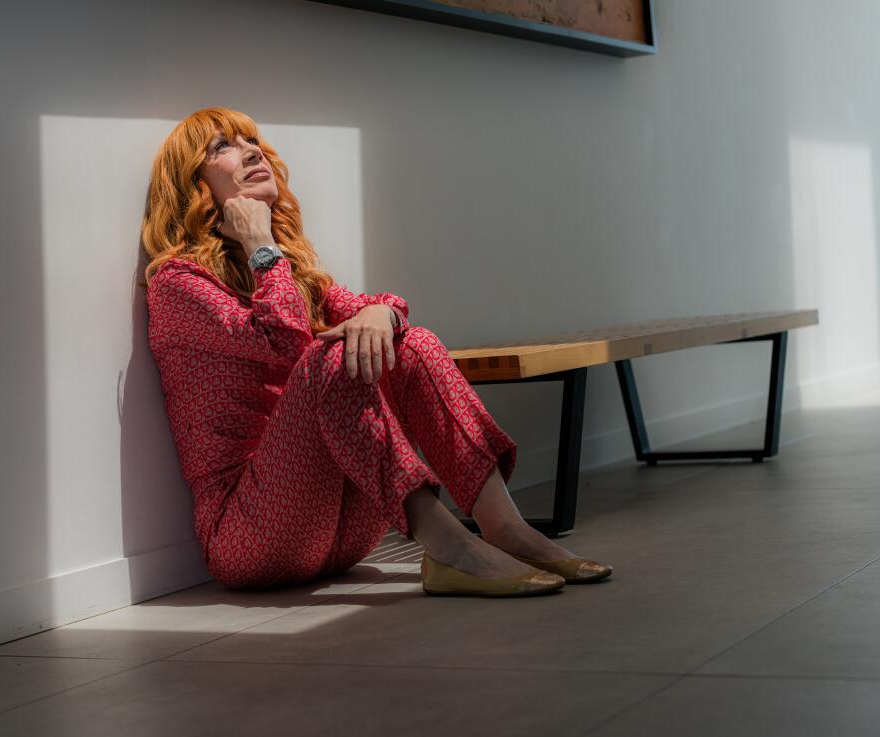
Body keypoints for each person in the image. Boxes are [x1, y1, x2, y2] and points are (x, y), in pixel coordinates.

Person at [141, 107, 612, 596]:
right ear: (190, 185)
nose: (253, 150)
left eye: (251, 140)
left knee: (412, 342)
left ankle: (505, 528)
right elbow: (286, 342)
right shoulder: (177, 284)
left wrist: (380, 315)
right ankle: (450, 548)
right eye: (223, 147)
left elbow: (389, 308)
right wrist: (261, 242)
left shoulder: (293, 274)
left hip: (345, 534)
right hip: (250, 538)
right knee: (331, 356)